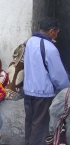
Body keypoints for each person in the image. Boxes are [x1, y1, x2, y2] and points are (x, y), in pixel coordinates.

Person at [23, 17, 70, 145]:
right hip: (42, 94)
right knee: (40, 127)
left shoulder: (29, 41)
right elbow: (58, 76)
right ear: (51, 32)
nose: (56, 35)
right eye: (56, 32)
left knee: (29, 122)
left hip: (28, 91)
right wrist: (67, 88)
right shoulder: (50, 48)